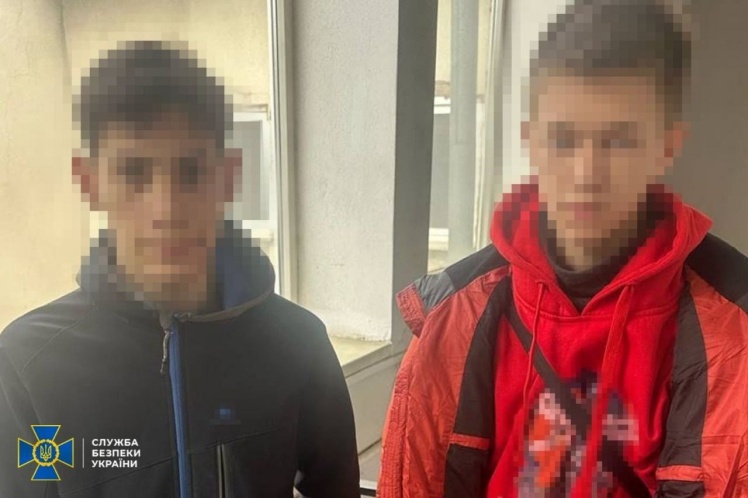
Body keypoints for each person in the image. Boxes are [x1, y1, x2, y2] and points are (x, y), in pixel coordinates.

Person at [379, 1, 748, 496]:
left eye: (619, 140)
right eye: (564, 138)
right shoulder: (457, 312)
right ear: (530, 140)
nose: (586, 173)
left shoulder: (731, 324)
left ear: (666, 145)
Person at [0, 40, 360, 498]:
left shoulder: (298, 343)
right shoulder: (30, 364)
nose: (166, 208)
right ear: (90, 183)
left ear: (228, 177)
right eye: (133, 173)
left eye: (191, 171)